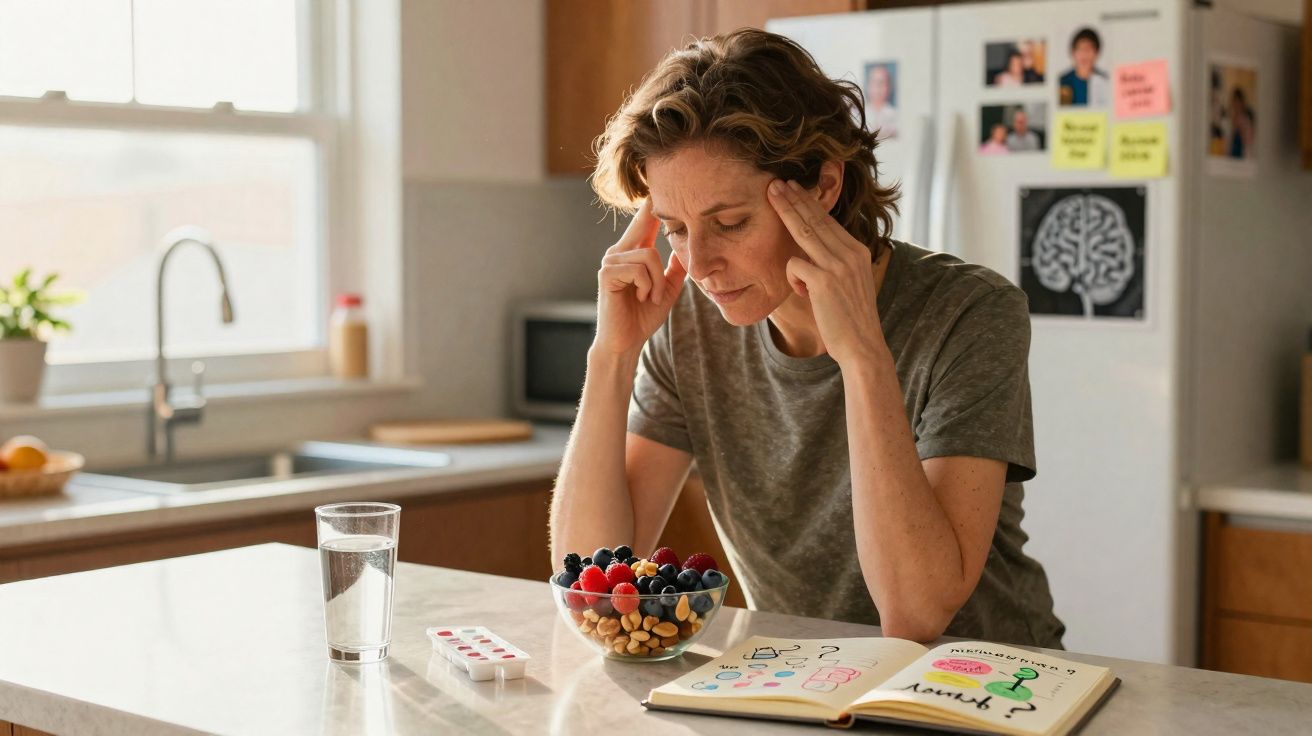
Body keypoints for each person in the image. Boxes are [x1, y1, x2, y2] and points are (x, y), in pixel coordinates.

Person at [549, 28, 1065, 648]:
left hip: (982, 687)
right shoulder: (688, 319)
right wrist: (613, 355)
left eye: (731, 222)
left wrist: (863, 355)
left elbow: (916, 615)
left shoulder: (970, 314)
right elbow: (594, 589)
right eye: (677, 228)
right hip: (803, 684)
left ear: (824, 186)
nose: (702, 263)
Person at [1058, 27, 1109, 107]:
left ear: (1097, 53)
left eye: (1088, 49)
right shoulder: (1062, 82)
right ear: (1073, 53)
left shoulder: (1106, 81)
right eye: (1080, 49)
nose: (1084, 54)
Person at [863, 63, 898, 139]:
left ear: (888, 87)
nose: (878, 87)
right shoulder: (858, 115)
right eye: (874, 82)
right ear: (868, 86)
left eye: (882, 82)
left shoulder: (895, 115)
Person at [1228, 88, 1254, 159]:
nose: (1236, 105)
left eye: (1238, 102)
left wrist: (1241, 129)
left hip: (1242, 157)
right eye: (1234, 102)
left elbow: (1249, 142)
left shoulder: (1245, 120)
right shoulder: (1230, 119)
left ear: (1242, 103)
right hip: (1231, 157)